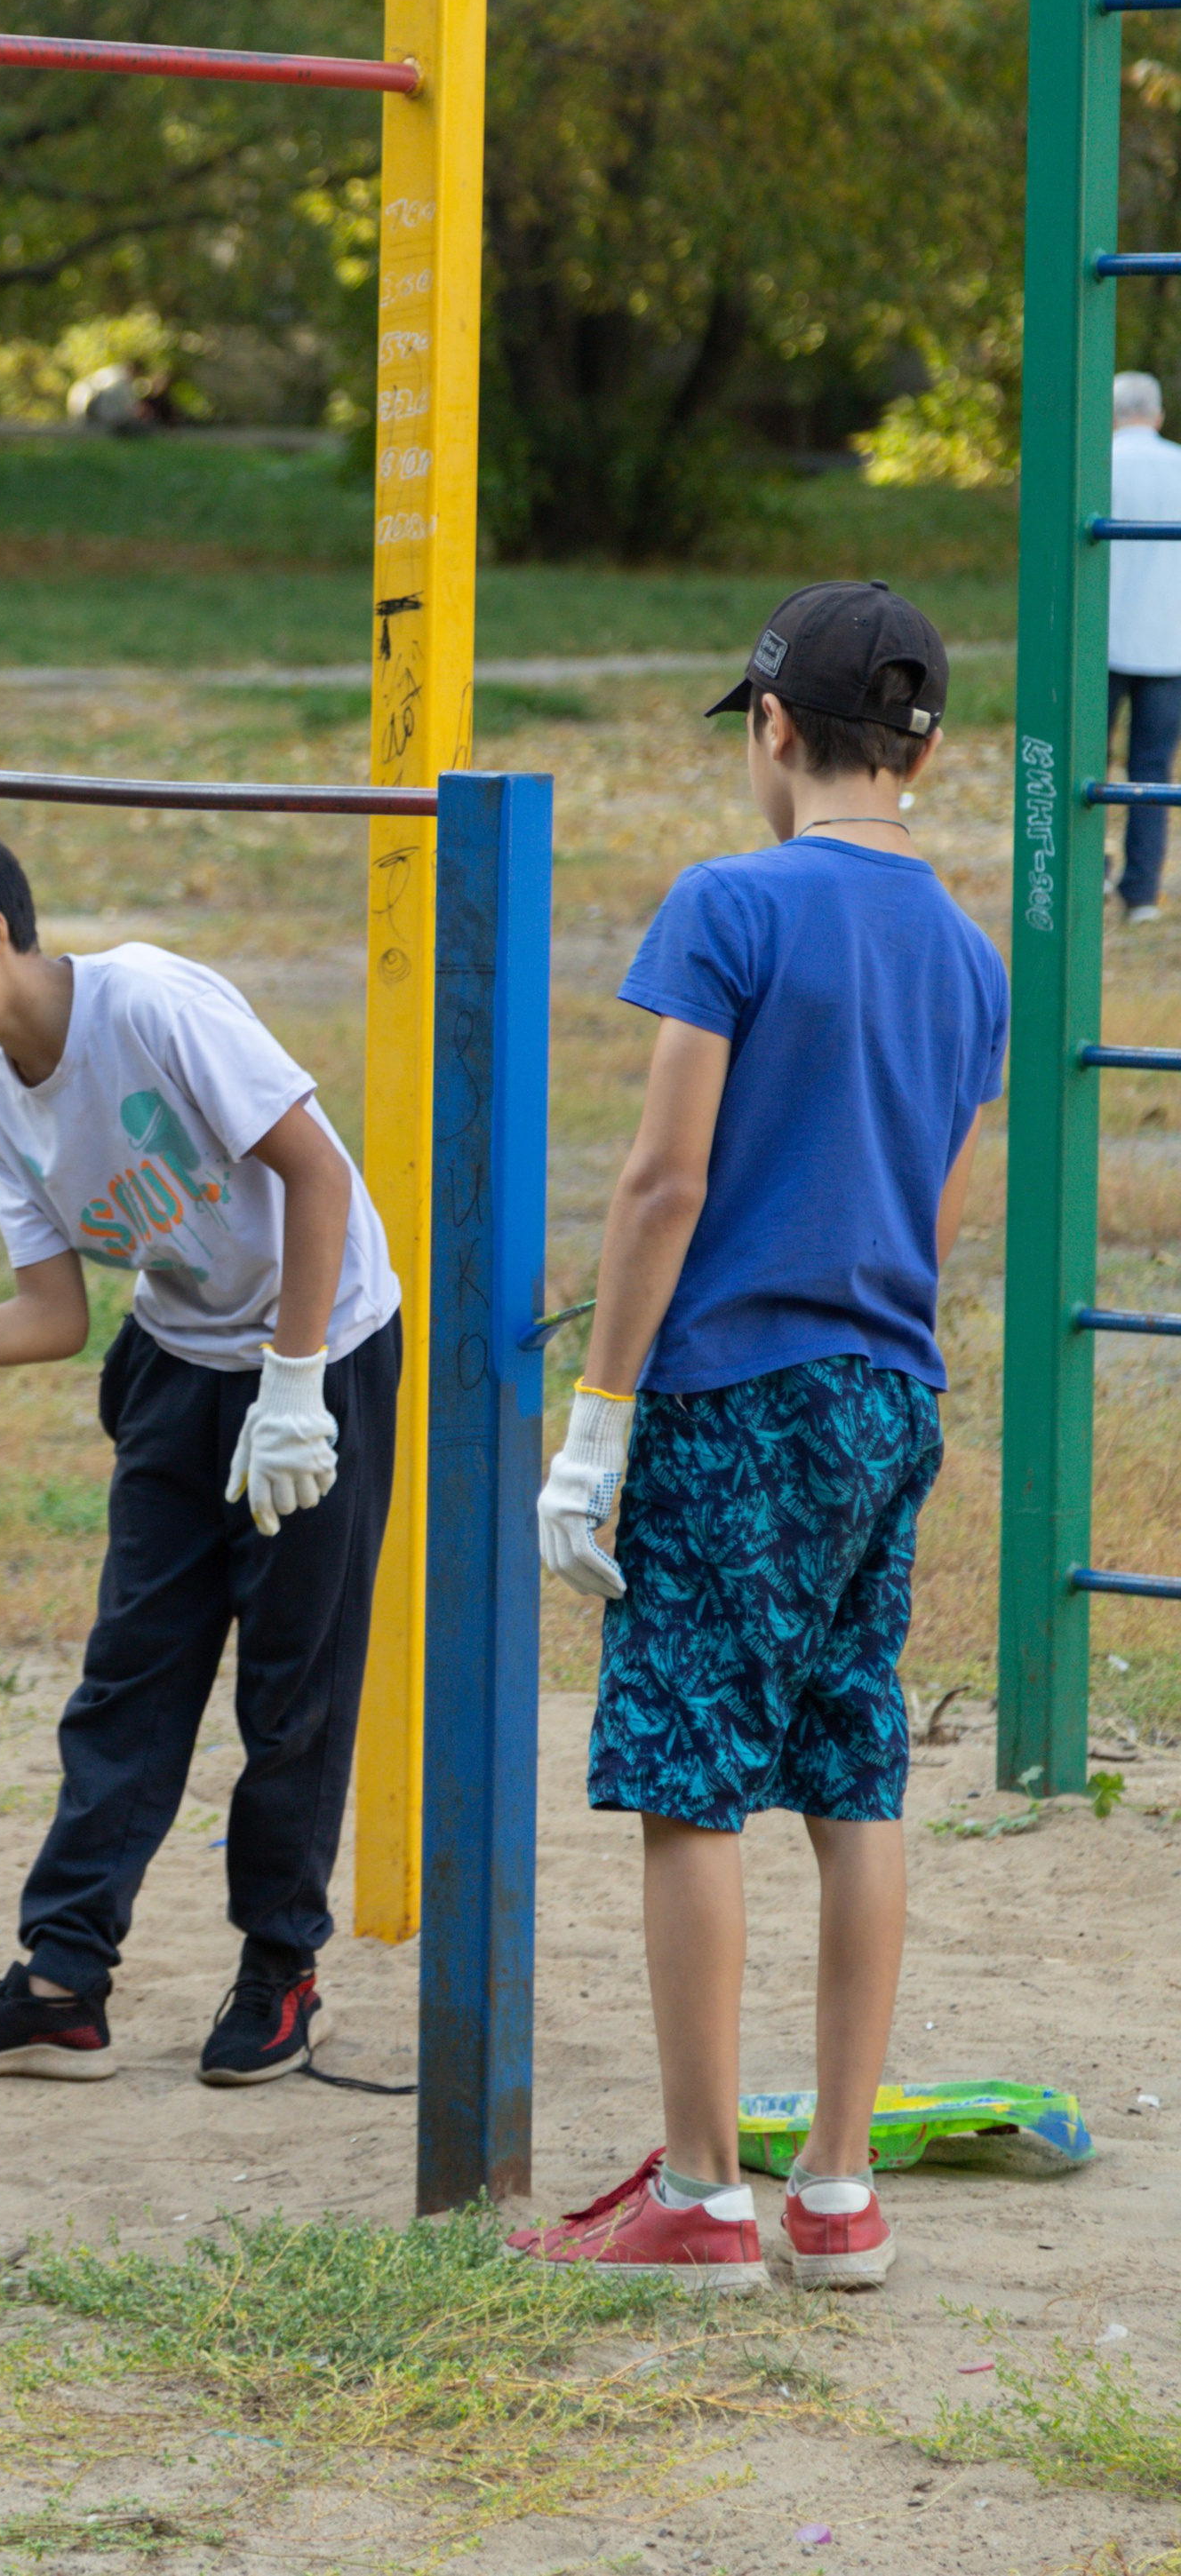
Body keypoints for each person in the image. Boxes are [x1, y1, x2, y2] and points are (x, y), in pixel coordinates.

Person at [514, 581, 1006, 2292]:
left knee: (690, 1780)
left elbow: (664, 1182)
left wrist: (598, 1420)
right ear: (923, 747)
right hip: (890, 1395)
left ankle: (705, 2193)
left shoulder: (730, 902)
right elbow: (941, 1213)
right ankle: (842, 2195)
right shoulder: (973, 958)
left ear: (775, 727)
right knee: (852, 1771)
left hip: (735, 1396)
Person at [0, 805, 401, 2086]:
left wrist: (296, 1386)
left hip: (322, 1341)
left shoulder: (152, 1004)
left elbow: (319, 1176)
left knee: (292, 1682)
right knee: (130, 1672)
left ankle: (280, 1974)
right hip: (177, 1360)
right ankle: (63, 1983)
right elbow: (56, 1317)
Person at [1106, 371, 1181, 923]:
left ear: (1111, 415)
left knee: (1085, 764)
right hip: (1168, 641)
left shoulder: (1097, 464)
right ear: (1157, 414)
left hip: (1102, 641)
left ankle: (1084, 871)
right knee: (1152, 771)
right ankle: (1140, 895)